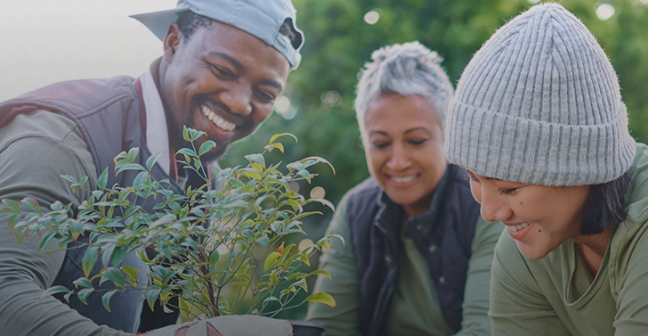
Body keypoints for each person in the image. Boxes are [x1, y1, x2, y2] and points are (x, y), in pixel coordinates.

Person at [0, 0, 303, 335]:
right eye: (222, 70)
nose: (239, 102)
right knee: (115, 262)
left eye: (264, 93)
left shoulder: (201, 180)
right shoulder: (65, 136)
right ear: (173, 43)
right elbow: (6, 292)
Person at [444, 3, 648, 335]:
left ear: (580, 167)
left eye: (509, 188)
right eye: (473, 177)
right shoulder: (525, 250)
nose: (490, 212)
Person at [306, 42, 504, 336]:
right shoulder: (354, 211)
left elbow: (485, 331)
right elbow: (329, 329)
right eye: (381, 144)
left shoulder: (486, 204)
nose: (398, 162)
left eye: (416, 140)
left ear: (447, 135)